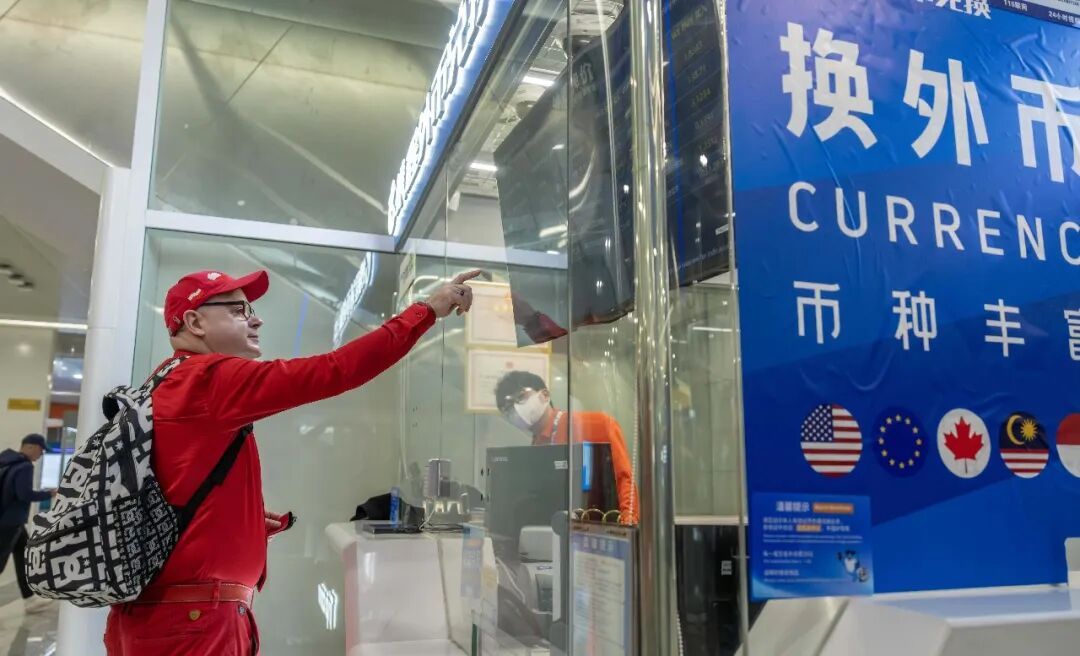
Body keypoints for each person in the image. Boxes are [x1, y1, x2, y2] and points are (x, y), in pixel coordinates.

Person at [103, 267, 480, 656]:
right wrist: (427, 310)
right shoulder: (206, 380)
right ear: (195, 322)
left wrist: (239, 522)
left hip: (162, 618)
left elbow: (170, 493)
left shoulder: (166, 381)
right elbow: (337, 369)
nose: (256, 319)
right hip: (191, 625)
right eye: (238, 309)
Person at [494, 371, 638, 524]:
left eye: (521, 397)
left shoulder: (596, 424)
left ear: (544, 395)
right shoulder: (532, 451)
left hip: (600, 524)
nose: (516, 409)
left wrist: (628, 523)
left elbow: (624, 478)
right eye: (508, 409)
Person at [0, 434, 55, 614]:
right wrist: (49, 494)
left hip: (8, 520)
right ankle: (30, 599)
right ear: (30, 446)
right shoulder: (24, 466)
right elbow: (24, 494)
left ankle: (29, 598)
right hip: (10, 522)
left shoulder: (6, 461)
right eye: (40, 450)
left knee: (23, 556)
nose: (40, 454)